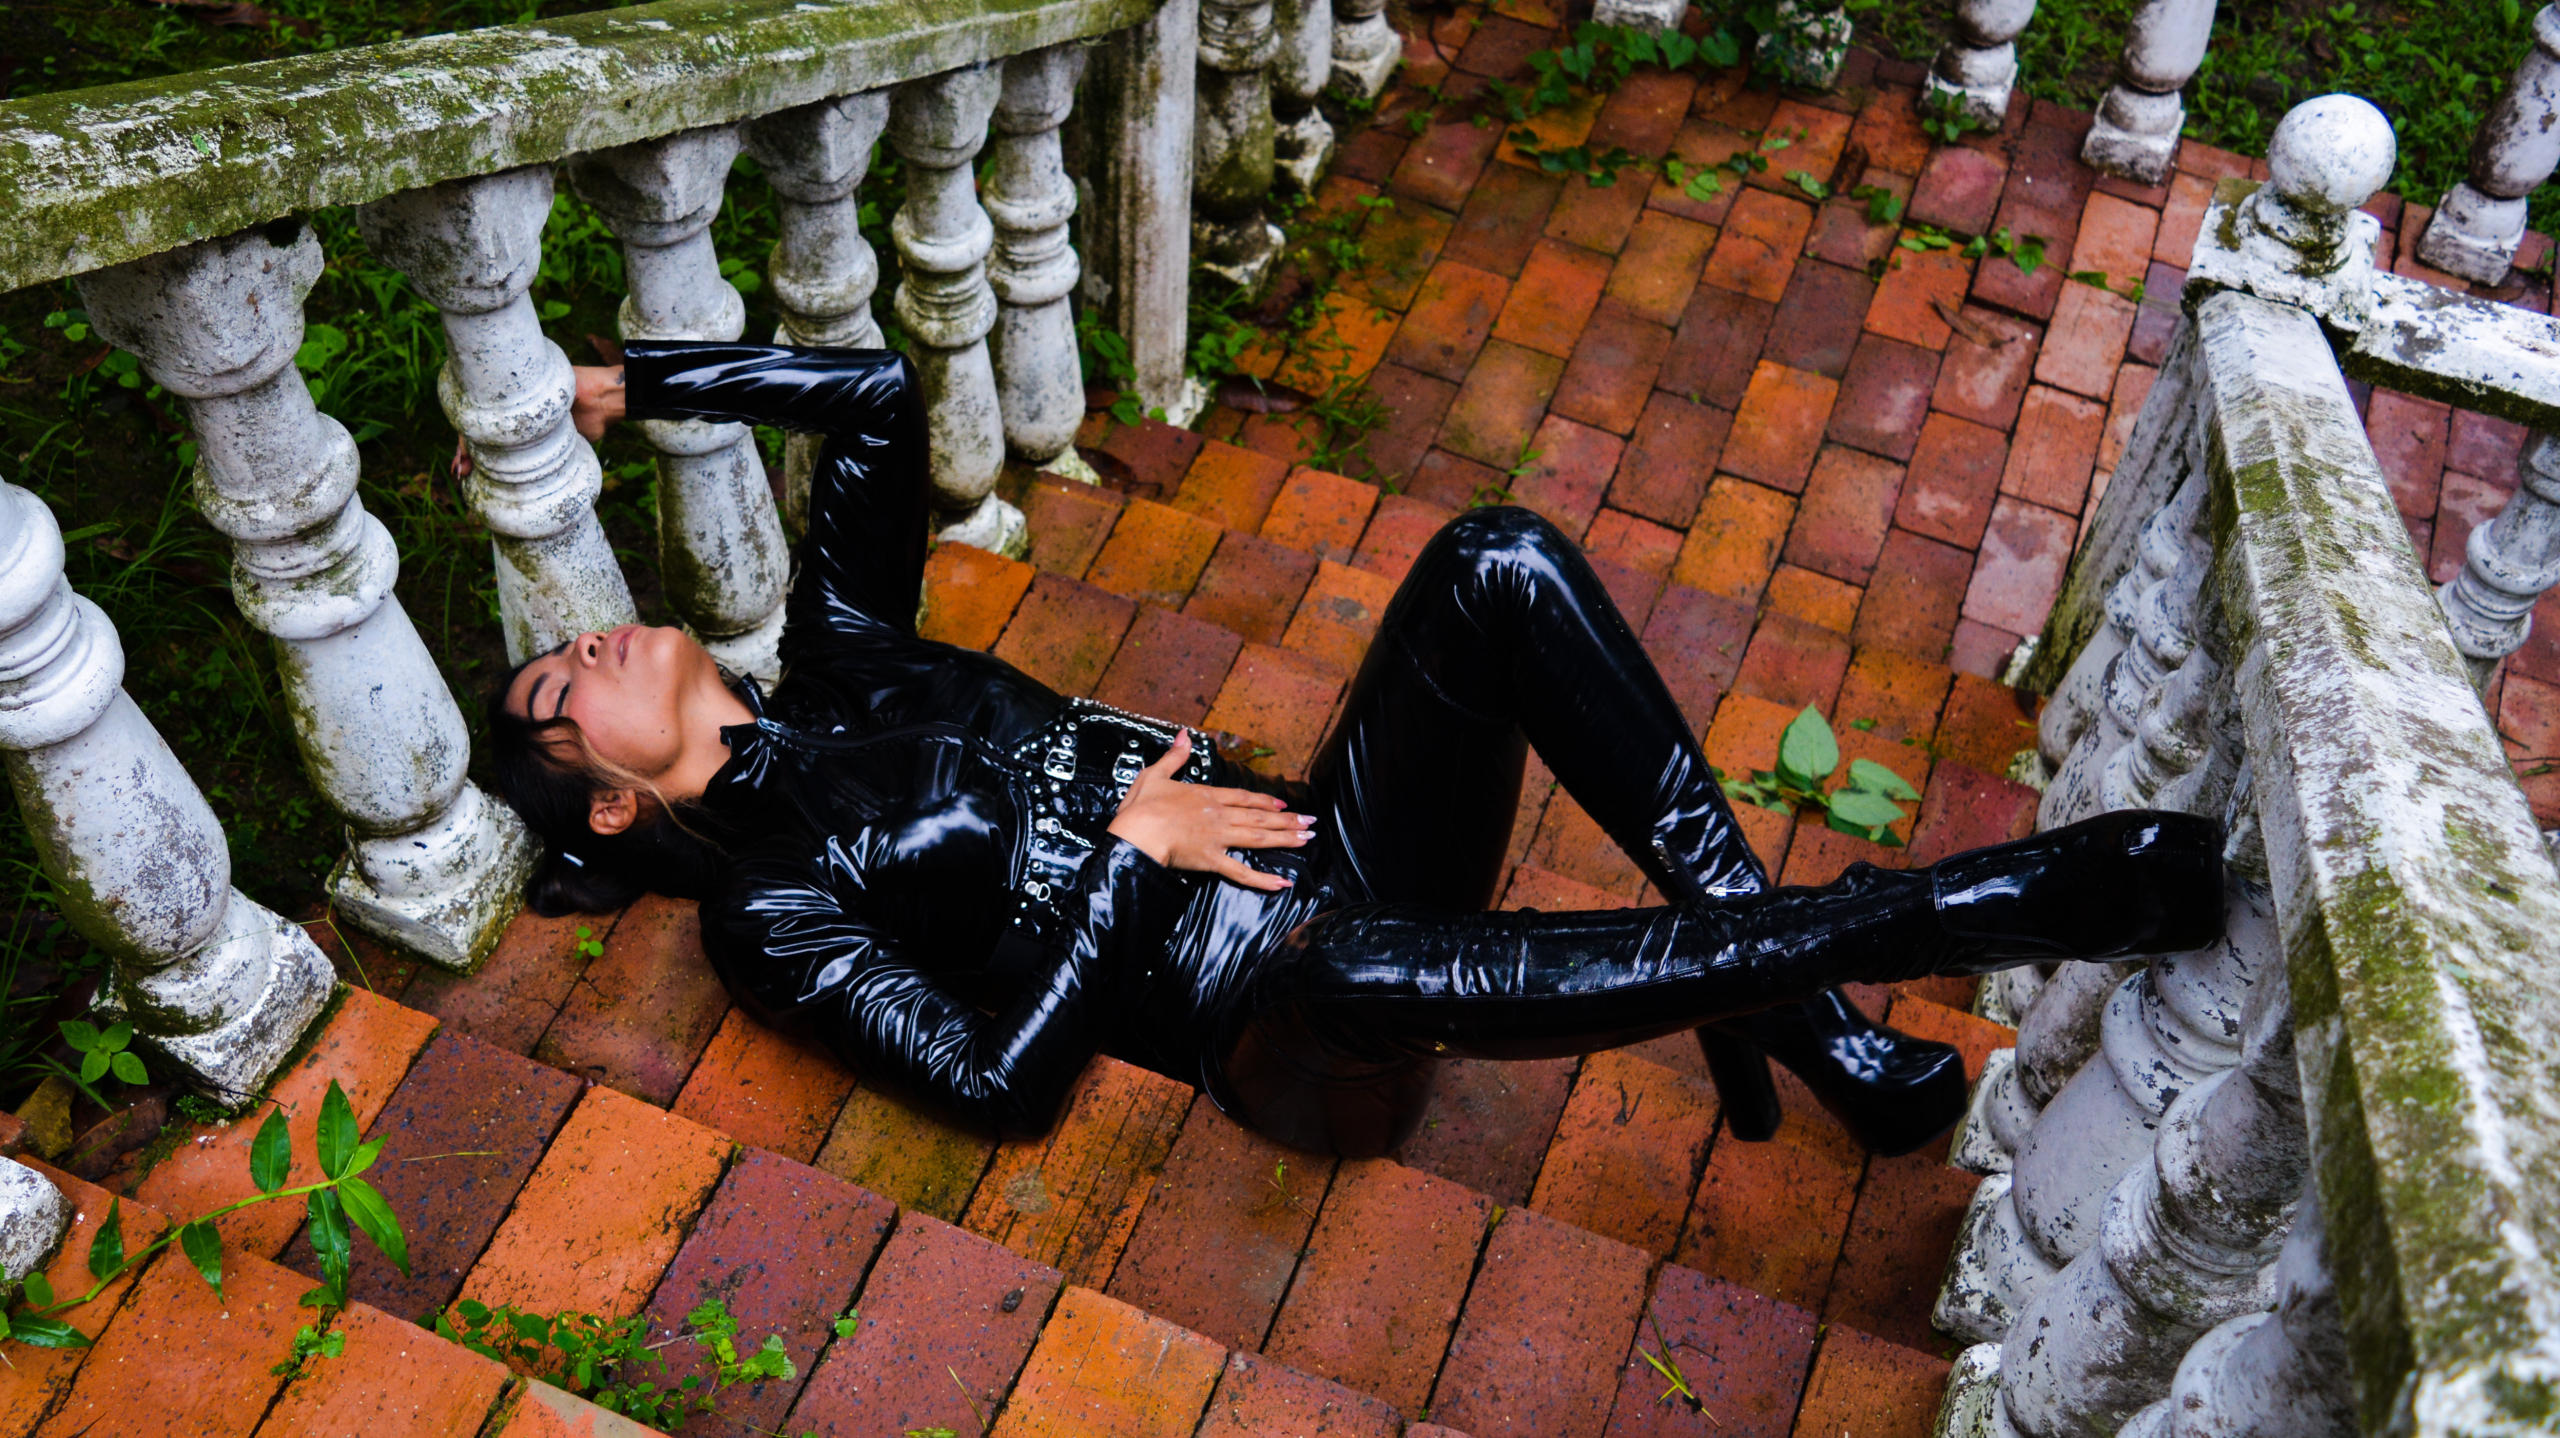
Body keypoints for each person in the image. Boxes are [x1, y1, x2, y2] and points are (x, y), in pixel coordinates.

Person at [488, 342, 2224, 1158]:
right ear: (613, 803)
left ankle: (1793, 1004)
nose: (591, 642)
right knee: (1360, 955)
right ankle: (1963, 908)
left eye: (569, 638)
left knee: (1496, 561)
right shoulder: (769, 909)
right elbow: (995, 1091)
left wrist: (632, 383)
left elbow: (876, 394)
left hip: (1336, 830)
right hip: (1289, 1022)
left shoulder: (844, 652)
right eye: (562, 691)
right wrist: (1132, 853)